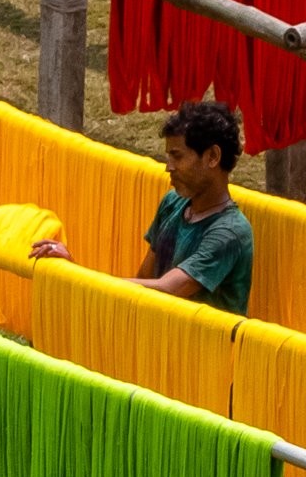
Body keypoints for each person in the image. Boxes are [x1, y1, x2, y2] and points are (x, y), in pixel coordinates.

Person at [29, 99, 254, 316]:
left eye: (177, 156)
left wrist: (78, 275)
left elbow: (167, 290)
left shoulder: (230, 232)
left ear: (212, 157)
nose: (169, 167)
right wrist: (75, 272)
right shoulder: (172, 203)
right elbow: (143, 282)